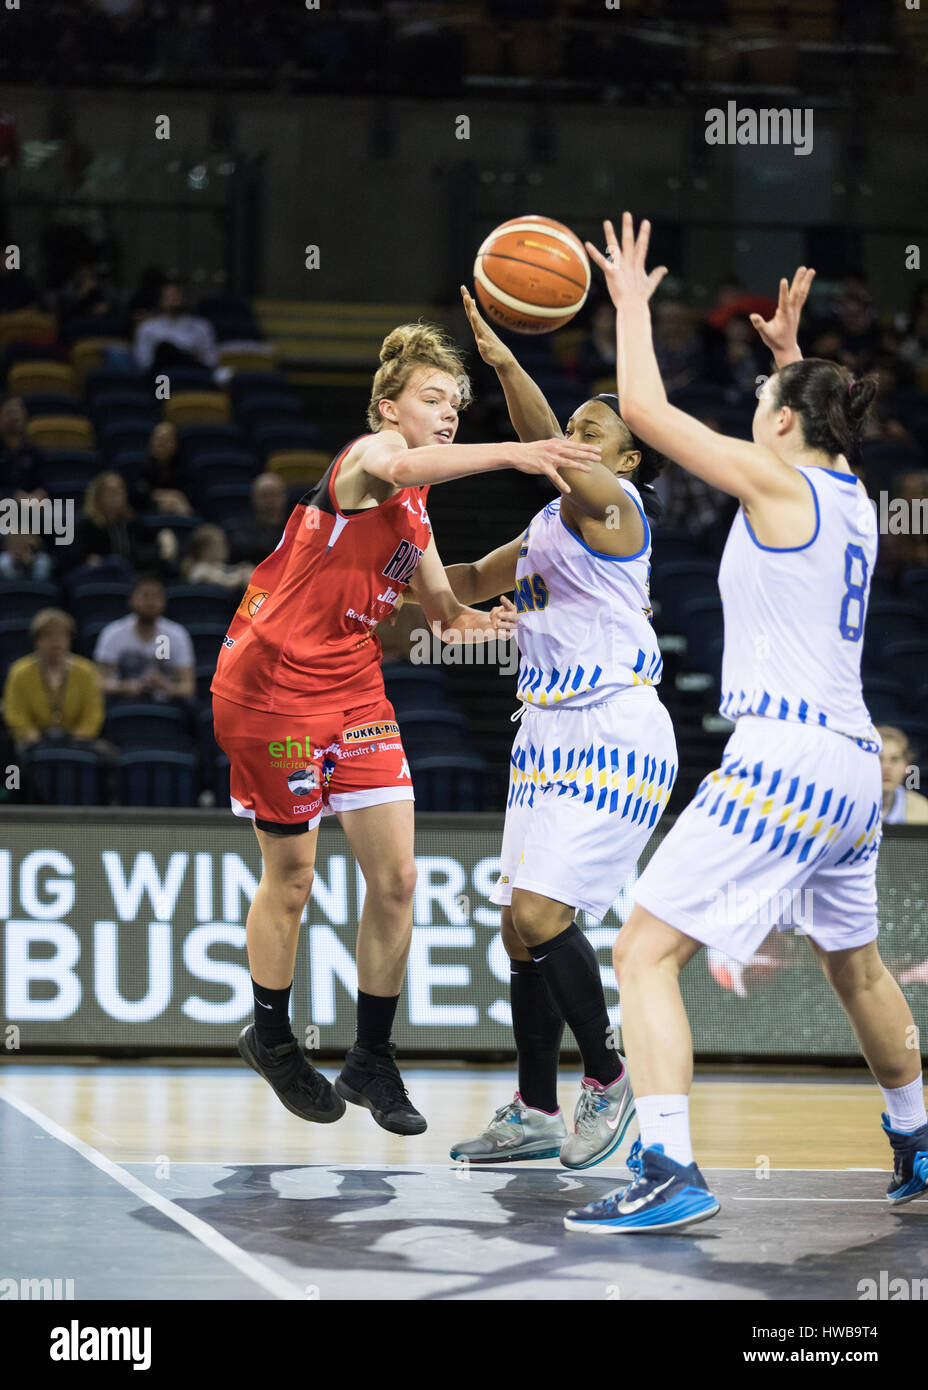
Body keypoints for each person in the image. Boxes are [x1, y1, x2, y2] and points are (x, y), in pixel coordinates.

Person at [564, 218, 927, 1234]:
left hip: (787, 754)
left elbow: (639, 407)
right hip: (859, 764)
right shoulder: (851, 493)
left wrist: (630, 304)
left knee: (640, 952)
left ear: (775, 428)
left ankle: (669, 1166)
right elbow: (822, 415)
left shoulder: (772, 479)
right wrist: (792, 363)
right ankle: (917, 1131)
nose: (754, 412)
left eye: (763, 403)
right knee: (851, 963)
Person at [209, 321, 598, 1139]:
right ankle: (272, 1037)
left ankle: (371, 1056)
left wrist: (508, 620)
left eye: (457, 403)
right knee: (293, 878)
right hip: (270, 686)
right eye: (434, 399)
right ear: (390, 409)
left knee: (398, 880)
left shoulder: (416, 507)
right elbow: (407, 463)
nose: (450, 413)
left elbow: (446, 615)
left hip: (352, 685)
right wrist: (518, 453)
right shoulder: (368, 459)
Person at [447, 287, 677, 1170]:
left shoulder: (618, 510)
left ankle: (610, 1078)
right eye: (572, 425)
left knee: (544, 913)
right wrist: (390, 552)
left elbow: (555, 457)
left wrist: (505, 363)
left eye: (594, 430)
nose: (577, 438)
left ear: (627, 456)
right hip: (543, 734)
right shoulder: (549, 522)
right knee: (517, 925)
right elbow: (467, 580)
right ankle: (536, 1110)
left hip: (613, 725)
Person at [3, 607, 103, 752]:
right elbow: (14, 712)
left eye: (62, 635)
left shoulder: (86, 671)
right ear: (37, 640)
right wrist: (29, 734)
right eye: (49, 636)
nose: (56, 642)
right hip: (32, 741)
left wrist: (80, 736)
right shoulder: (20, 672)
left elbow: (93, 713)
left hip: (77, 741)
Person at [93, 572, 195, 703]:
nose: (151, 602)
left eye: (156, 596)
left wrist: (167, 686)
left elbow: (188, 687)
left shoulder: (177, 634)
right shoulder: (113, 633)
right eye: (145, 595)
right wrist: (125, 686)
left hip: (165, 704)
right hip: (124, 702)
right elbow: (100, 682)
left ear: (164, 601)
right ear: (131, 600)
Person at [65, 471, 177, 574]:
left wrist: (166, 535)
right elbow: (75, 556)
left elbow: (153, 534)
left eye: (121, 490)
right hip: (99, 575)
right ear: (98, 496)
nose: (118, 496)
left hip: (129, 573)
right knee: (116, 563)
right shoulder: (86, 523)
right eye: (112, 491)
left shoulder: (130, 521)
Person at [133, 277, 218, 374]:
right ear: (161, 300)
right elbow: (144, 364)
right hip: (162, 378)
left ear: (185, 298)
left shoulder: (202, 326)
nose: (173, 298)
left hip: (193, 374)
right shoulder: (147, 328)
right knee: (163, 348)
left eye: (177, 294)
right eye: (168, 296)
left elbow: (211, 361)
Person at [129, 421, 194, 517]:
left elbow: (190, 500)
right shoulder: (139, 467)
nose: (160, 444)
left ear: (175, 444)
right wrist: (172, 496)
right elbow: (138, 496)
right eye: (157, 439)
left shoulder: (186, 470)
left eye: (165, 439)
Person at [225, 472, 289, 566]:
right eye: (264, 495)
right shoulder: (241, 532)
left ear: (284, 496)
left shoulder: (296, 529)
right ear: (254, 498)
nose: (269, 500)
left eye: (273, 494)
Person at [878, 725, 928, 824]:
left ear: (906, 765)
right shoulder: (847, 806)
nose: (887, 767)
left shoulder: (922, 809)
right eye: (879, 759)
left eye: (895, 759)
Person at [0, 395, 47, 500]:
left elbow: (42, 486)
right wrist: (14, 496)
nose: (13, 417)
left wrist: (38, 495)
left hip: (28, 507)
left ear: (25, 417)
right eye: (9, 413)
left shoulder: (34, 452)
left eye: (16, 413)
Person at [181, 523, 251, 589]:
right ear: (205, 550)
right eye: (219, 545)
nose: (224, 548)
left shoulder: (221, 567)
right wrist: (240, 576)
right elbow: (225, 582)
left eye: (224, 544)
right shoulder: (199, 568)